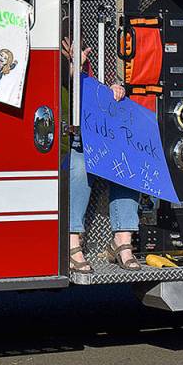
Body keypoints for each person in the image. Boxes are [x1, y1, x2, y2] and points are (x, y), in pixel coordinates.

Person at [61, 37, 142, 274]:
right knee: (78, 167)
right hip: (72, 140)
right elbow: (61, 91)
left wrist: (115, 90)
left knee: (128, 166)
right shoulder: (57, 60)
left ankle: (122, 242)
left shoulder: (96, 61)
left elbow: (102, 93)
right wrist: (73, 70)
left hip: (103, 137)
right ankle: (72, 241)